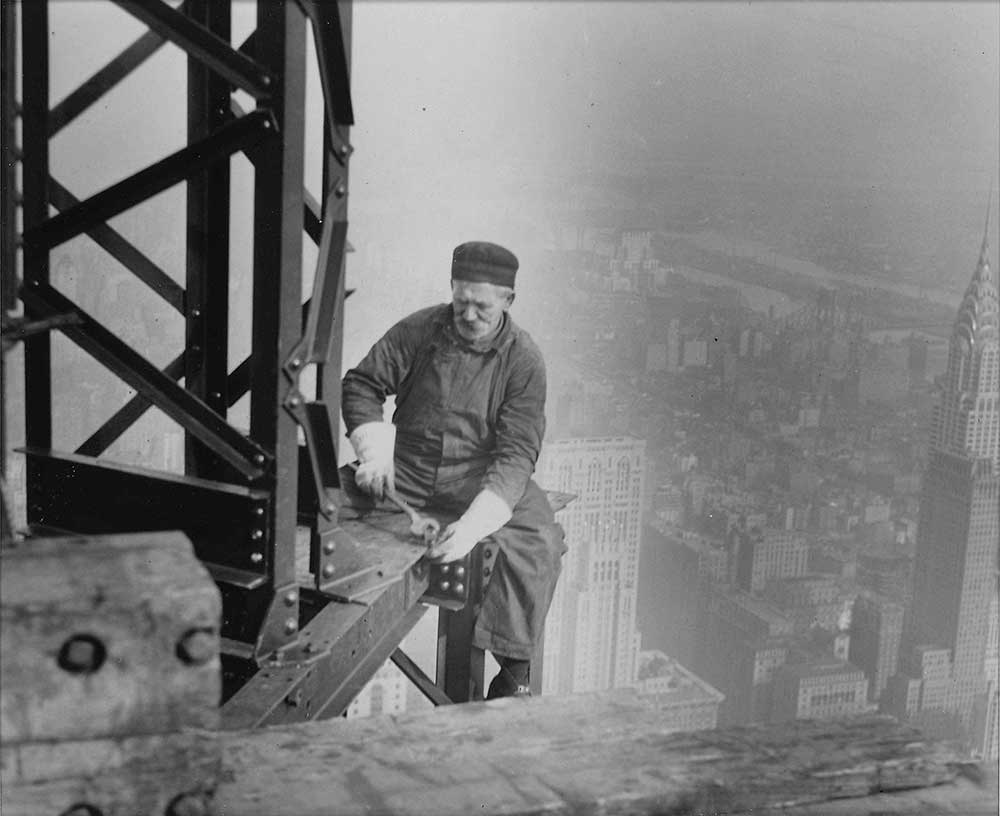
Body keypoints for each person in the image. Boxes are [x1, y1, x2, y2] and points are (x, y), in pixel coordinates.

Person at [342, 240, 565, 699]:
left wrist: (472, 526)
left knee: (540, 538)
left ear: (508, 302)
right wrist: (373, 451)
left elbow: (517, 453)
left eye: (481, 306)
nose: (468, 315)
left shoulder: (524, 360)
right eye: (460, 301)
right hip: (407, 471)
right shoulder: (420, 329)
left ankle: (514, 671)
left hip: (476, 481)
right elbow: (363, 383)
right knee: (321, 502)